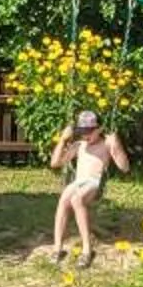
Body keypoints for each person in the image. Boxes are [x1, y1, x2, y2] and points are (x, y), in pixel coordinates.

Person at [45, 109, 128, 265]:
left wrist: (116, 146)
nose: (85, 135)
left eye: (90, 131)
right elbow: (55, 163)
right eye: (82, 132)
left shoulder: (106, 144)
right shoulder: (79, 145)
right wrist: (62, 140)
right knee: (64, 198)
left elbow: (124, 167)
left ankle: (87, 249)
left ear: (100, 129)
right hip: (79, 181)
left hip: (94, 182)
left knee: (77, 199)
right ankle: (57, 248)